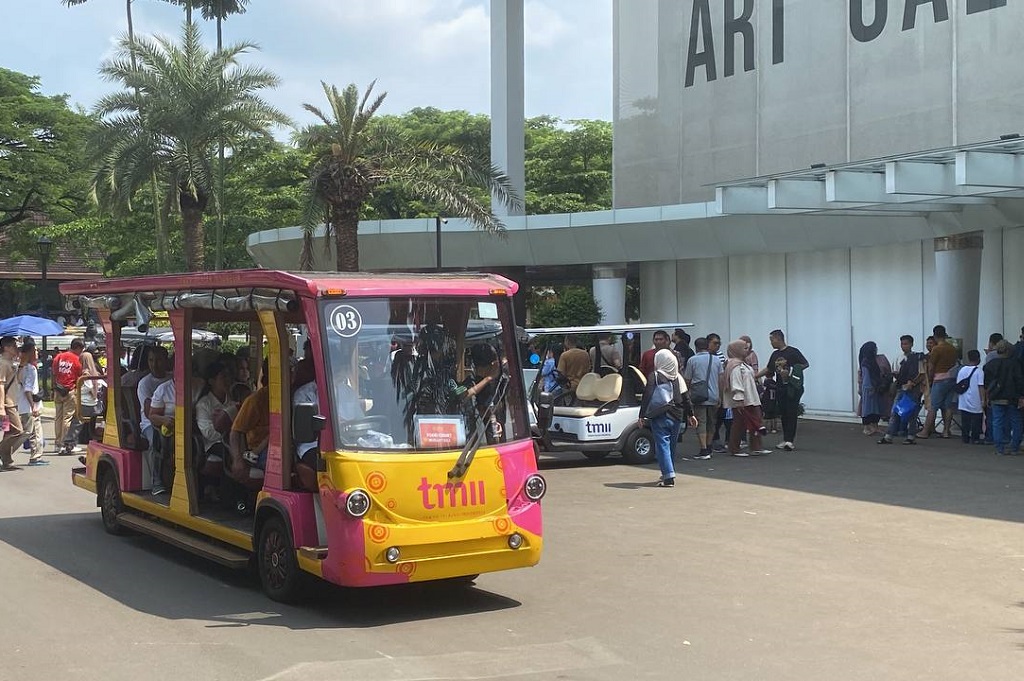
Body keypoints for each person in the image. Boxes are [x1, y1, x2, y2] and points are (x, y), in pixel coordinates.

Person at [639, 349, 697, 487]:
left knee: (662, 445)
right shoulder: (678, 377)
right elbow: (686, 398)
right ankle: (668, 471)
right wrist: (691, 415)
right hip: (677, 415)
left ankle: (668, 476)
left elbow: (647, 395)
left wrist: (642, 415)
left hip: (660, 414)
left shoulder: (655, 376)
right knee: (671, 446)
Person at [756, 329, 809, 451]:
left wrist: (791, 371)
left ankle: (790, 440)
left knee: (791, 412)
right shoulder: (774, 355)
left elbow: (805, 364)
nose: (771, 343)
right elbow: (769, 369)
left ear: (778, 338)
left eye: (772, 340)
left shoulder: (793, 352)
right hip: (780, 387)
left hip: (792, 387)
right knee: (783, 413)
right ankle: (785, 439)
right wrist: (755, 376)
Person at [722, 340, 771, 456]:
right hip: (743, 400)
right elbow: (736, 383)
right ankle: (734, 449)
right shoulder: (734, 366)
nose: (747, 350)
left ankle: (756, 447)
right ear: (737, 350)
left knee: (755, 422)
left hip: (752, 399)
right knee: (739, 424)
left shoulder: (743, 364)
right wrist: (739, 399)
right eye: (744, 348)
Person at [879, 335, 926, 446]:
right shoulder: (899, 358)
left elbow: (922, 374)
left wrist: (913, 383)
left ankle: (909, 436)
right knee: (896, 411)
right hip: (902, 387)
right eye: (902, 344)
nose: (903, 346)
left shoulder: (917, 358)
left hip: (913, 389)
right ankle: (889, 435)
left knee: (911, 413)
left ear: (911, 344)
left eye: (906, 344)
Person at [682, 336, 722, 460]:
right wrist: (720, 396)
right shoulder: (716, 360)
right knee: (711, 423)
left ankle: (703, 449)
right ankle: (709, 446)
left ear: (696, 347)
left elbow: (687, 379)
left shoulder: (692, 360)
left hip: (698, 396)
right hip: (714, 395)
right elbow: (721, 379)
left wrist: (686, 395)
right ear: (707, 346)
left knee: (701, 422)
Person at [981, 340, 1024, 455]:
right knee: (1016, 421)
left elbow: (986, 383)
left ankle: (999, 448)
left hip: (996, 396)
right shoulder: (1015, 364)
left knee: (997, 421)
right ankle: (1014, 447)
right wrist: (1021, 396)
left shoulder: (991, 364)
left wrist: (987, 396)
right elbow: (1020, 381)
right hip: (1013, 397)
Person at [138, 346, 171, 493]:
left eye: (158, 360)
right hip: (150, 424)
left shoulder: (172, 379)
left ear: (166, 361)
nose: (154, 364)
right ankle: (156, 481)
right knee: (156, 441)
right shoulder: (145, 383)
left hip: (173, 421)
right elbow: (148, 412)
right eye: (151, 360)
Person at [920, 325, 958, 439]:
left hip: (939, 379)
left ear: (935, 335)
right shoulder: (952, 348)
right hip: (951, 379)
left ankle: (925, 431)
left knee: (933, 406)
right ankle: (946, 431)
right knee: (947, 406)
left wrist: (929, 379)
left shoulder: (936, 349)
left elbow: (931, 367)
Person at [0, 336, 28, 471]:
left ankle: (7, 461)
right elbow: (0, 385)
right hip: (7, 404)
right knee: (18, 430)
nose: (16, 348)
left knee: (7, 431)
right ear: (6, 348)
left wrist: (21, 364)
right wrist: (1, 407)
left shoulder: (10, 362)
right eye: (14, 346)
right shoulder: (3, 363)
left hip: (12, 401)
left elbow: (18, 379)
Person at [52, 338, 84, 455]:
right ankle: (64, 444)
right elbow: (79, 376)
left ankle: (57, 443)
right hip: (70, 390)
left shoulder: (58, 357)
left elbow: (54, 373)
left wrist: (53, 387)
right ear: (78, 348)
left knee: (58, 418)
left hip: (58, 389)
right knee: (67, 418)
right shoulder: (76, 359)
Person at [16, 342, 46, 465]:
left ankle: (35, 455)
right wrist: (33, 406)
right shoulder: (31, 369)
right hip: (30, 406)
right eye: (35, 351)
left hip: (21, 405)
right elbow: (28, 389)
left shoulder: (19, 368)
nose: (37, 353)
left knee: (28, 432)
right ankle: (36, 456)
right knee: (34, 432)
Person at [857, 342, 887, 436]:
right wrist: (869, 388)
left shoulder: (873, 360)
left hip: (875, 388)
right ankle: (866, 427)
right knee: (867, 409)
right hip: (869, 388)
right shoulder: (866, 362)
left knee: (875, 409)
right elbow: (866, 377)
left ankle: (875, 426)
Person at [956, 350, 984, 445]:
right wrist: (983, 399)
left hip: (963, 398)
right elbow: (981, 386)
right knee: (976, 419)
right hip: (975, 398)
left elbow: (958, 384)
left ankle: (965, 437)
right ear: (978, 358)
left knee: (965, 419)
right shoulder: (979, 371)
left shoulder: (962, 370)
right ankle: (975, 438)